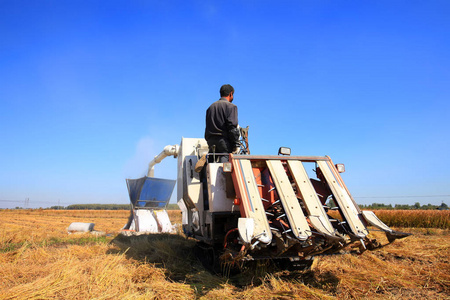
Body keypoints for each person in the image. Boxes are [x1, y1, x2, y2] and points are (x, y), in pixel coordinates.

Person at [204, 84, 240, 162]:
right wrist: (236, 144)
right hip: (223, 141)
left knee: (211, 164)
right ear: (231, 94)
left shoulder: (210, 108)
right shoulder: (231, 107)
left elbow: (207, 127)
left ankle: (205, 166)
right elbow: (232, 128)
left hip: (211, 141)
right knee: (224, 164)